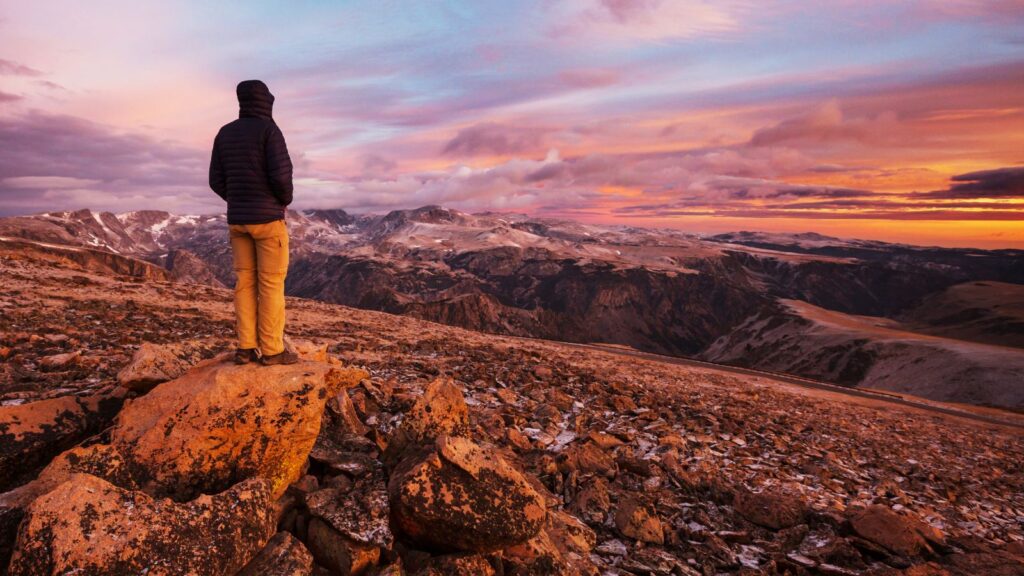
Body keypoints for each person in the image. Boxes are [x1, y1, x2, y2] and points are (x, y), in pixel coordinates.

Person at [209, 79, 298, 365]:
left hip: (238, 221)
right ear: (266, 100)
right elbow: (281, 177)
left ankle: (245, 347)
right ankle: (272, 350)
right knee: (271, 284)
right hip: (268, 221)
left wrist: (238, 199)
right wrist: (281, 202)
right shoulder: (269, 131)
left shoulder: (224, 133)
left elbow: (215, 180)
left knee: (245, 282)